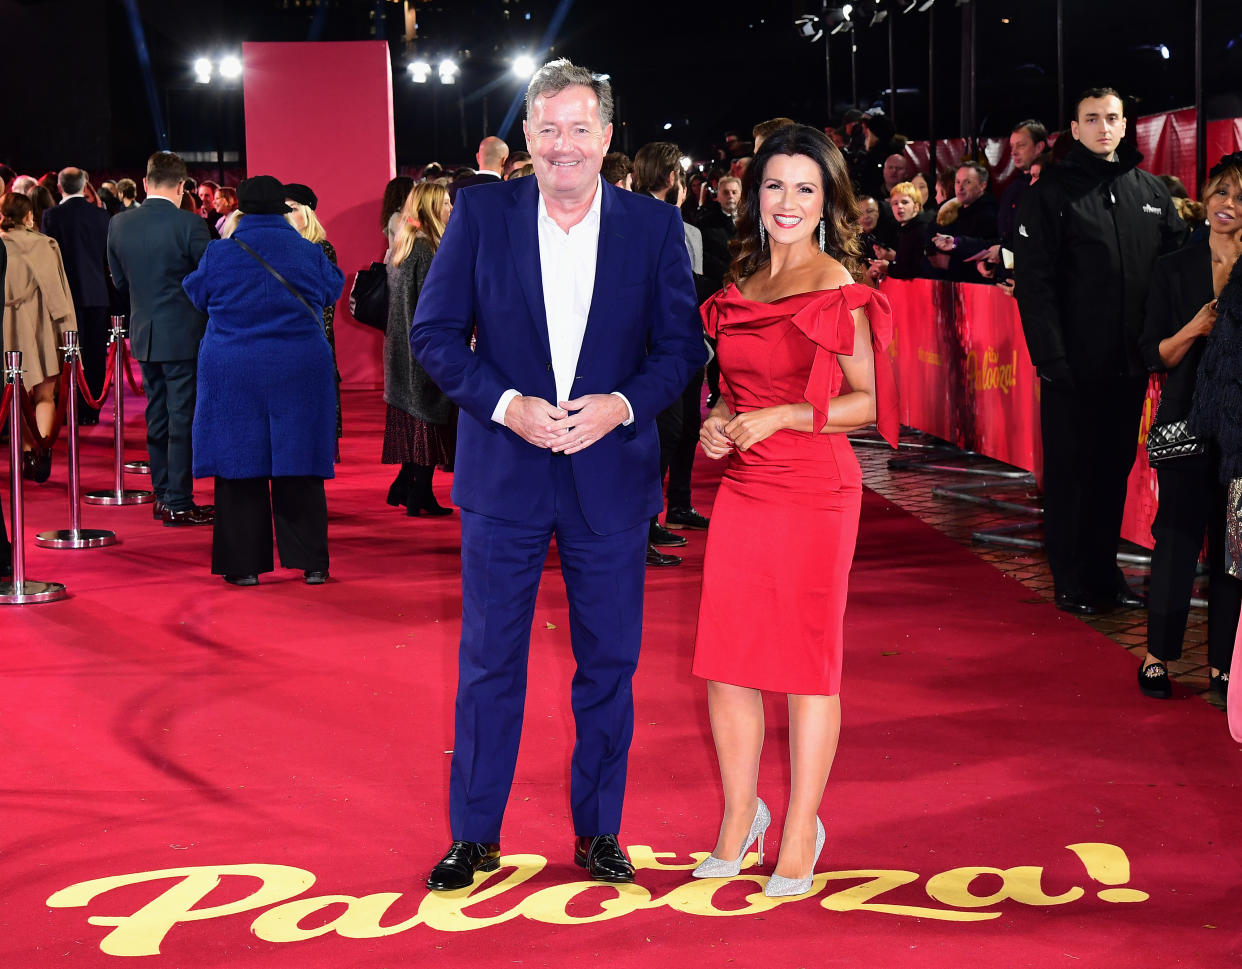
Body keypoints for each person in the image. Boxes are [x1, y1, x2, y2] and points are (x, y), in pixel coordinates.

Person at [410, 58, 705, 892]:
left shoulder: (652, 228)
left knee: (609, 663)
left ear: (607, 138)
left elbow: (682, 347)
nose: (563, 146)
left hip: (610, 474)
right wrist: (505, 404)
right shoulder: (480, 212)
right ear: (526, 138)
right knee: (488, 661)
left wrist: (622, 404)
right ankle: (476, 835)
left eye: (580, 129)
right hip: (505, 472)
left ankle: (601, 829)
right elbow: (433, 335)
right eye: (548, 130)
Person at [692, 124, 897, 897]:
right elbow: (733, 387)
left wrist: (780, 417)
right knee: (728, 661)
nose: (787, 201)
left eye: (804, 188)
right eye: (774, 185)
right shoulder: (742, 281)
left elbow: (868, 402)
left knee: (809, 668)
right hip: (745, 487)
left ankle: (801, 829)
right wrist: (720, 420)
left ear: (827, 202)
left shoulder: (838, 286)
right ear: (755, 196)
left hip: (815, 489)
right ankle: (739, 817)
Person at [1015, 87, 1187, 614]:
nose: (1104, 128)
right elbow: (1035, 282)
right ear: (1074, 126)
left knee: (1112, 472)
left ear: (1125, 124)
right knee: (1070, 473)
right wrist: (1051, 358)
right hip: (1070, 367)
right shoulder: (1052, 194)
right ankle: (1069, 577)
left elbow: (1175, 270)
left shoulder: (1151, 191)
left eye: (1112, 118)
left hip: (1128, 365)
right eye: (1092, 119)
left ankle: (1103, 573)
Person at [182, 176, 344, 586]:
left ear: (242, 211)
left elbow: (196, 294)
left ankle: (244, 565)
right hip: (299, 366)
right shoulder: (308, 252)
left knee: (239, 465)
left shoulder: (219, 253)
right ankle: (312, 562)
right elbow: (332, 290)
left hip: (235, 367)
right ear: (283, 210)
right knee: (300, 461)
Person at [107, 151, 214, 525]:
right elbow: (210, 279)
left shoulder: (119, 224)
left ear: (145, 182)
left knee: (158, 415)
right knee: (181, 416)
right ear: (183, 185)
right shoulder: (191, 225)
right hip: (183, 333)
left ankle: (165, 495)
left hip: (144, 331)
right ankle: (179, 501)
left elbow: (120, 283)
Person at [1172, 154, 1242, 702]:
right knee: (1210, 547)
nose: (1229, 206)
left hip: (1233, 438)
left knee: (1234, 556)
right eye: (1221, 193)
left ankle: (1227, 669)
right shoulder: (1180, 263)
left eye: (1240, 198)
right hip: (1208, 433)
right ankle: (1216, 669)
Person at [382, 182, 457, 516]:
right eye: (444, 203)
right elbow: (432, 306)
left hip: (401, 347)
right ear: (429, 209)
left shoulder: (405, 244)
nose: (450, 208)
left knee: (416, 421)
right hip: (419, 350)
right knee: (427, 419)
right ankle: (419, 493)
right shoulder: (426, 250)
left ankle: (409, 486)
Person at [1, 192, 76, 482]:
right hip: (39, 323)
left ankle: (27, 450)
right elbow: (59, 295)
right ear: (29, 215)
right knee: (44, 393)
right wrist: (68, 332)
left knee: (14, 395)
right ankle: (40, 452)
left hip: (6, 326)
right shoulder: (44, 246)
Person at [40, 166, 111, 425]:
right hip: (96, 294)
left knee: (66, 355)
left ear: (59, 188)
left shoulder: (51, 216)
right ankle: (90, 411)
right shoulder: (101, 216)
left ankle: (66, 410)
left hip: (63, 296)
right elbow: (107, 258)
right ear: (84, 186)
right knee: (94, 354)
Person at [284, 183, 343, 443]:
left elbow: (326, 308)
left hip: (312, 339)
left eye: (293, 208)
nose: (286, 214)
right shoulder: (282, 247)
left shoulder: (322, 248)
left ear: (307, 213)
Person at [867, 181, 937, 281]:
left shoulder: (923, 229)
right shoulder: (905, 229)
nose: (899, 206)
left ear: (916, 206)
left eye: (904, 202)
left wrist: (889, 267)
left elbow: (918, 269)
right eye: (895, 203)